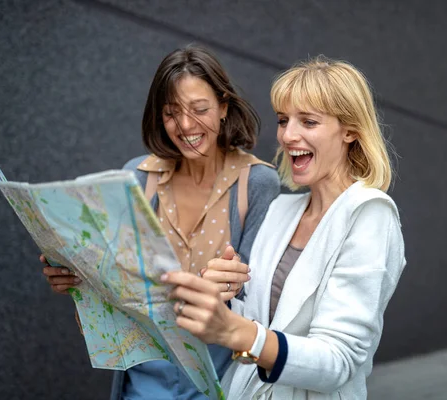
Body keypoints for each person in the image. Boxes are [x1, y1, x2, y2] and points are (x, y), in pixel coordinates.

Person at [41, 45, 280, 400]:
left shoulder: (258, 183)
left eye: (199, 110)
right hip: (144, 375)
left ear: (224, 107)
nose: (185, 126)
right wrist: (76, 277)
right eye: (171, 113)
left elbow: (266, 298)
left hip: (219, 376)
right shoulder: (138, 177)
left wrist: (230, 286)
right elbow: (115, 281)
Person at [161, 56, 406, 400]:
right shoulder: (282, 209)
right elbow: (261, 320)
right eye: (283, 120)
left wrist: (237, 332)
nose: (288, 135)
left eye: (308, 121)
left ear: (350, 130)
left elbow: (340, 360)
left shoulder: (370, 214)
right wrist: (221, 296)